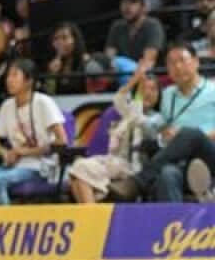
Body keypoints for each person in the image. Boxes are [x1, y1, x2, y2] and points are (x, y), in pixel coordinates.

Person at [117, 43, 215, 202]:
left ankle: (138, 182)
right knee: (167, 174)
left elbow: (189, 135)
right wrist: (163, 134)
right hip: (183, 162)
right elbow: (158, 123)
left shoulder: (213, 89)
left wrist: (188, 136)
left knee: (191, 134)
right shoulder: (168, 94)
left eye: (182, 60)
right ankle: (174, 218)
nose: (177, 67)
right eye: (171, 63)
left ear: (196, 62)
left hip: (210, 153)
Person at [0, 59, 66, 206]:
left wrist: (24, 152)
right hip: (15, 165)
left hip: (41, 166)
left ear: (28, 81)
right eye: (8, 76)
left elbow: (62, 140)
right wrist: (5, 153)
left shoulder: (43, 102)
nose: (9, 80)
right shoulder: (7, 105)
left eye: (15, 75)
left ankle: (5, 220)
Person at [68, 68, 161, 203]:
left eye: (153, 89)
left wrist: (138, 95)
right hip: (116, 161)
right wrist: (134, 80)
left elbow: (137, 119)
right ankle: (92, 213)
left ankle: (91, 214)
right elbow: (119, 99)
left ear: (159, 94)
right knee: (77, 175)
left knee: (81, 169)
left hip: (134, 167)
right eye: (144, 88)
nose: (148, 93)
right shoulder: (129, 111)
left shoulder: (158, 118)